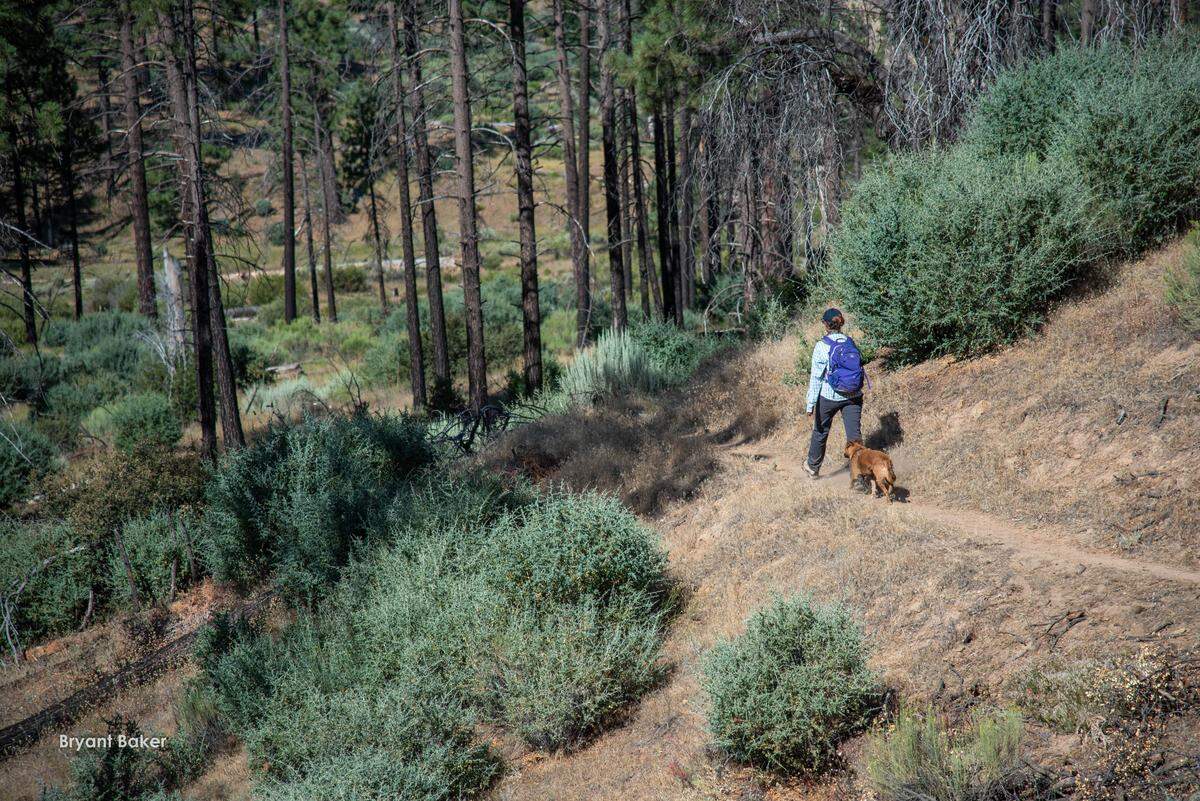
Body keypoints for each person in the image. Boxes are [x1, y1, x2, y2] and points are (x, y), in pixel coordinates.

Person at [803, 308, 864, 478]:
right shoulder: (850, 342)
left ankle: (812, 468)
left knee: (821, 431)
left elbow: (816, 377)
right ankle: (859, 476)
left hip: (829, 396)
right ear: (840, 323)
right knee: (854, 437)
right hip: (853, 395)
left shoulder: (821, 346)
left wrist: (810, 404)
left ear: (825, 325)